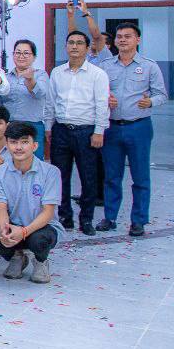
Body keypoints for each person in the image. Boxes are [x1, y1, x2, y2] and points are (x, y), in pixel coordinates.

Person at [98, 22, 167, 236]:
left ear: (138, 40)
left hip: (139, 127)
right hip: (112, 127)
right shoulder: (106, 66)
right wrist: (104, 100)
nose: (122, 40)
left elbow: (162, 94)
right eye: (119, 36)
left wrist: (151, 102)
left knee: (140, 175)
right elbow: (97, 93)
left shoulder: (149, 66)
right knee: (111, 176)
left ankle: (138, 220)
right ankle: (109, 217)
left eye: (128, 36)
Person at [48, 31, 109, 235]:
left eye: (79, 43)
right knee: (59, 177)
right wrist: (49, 127)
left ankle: (86, 219)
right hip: (61, 130)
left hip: (87, 132)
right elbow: (51, 102)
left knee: (88, 177)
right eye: (71, 42)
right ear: (66, 46)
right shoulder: (57, 72)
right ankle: (65, 216)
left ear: (87, 48)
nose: (75, 46)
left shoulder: (97, 74)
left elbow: (102, 104)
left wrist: (99, 131)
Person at [0, 121, 61, 283]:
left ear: (34, 146)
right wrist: (4, 230)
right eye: (13, 142)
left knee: (39, 240)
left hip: (41, 226)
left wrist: (24, 231)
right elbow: (1, 208)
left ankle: (41, 261)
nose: (19, 147)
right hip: (14, 223)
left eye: (24, 142)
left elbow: (48, 212)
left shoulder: (51, 172)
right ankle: (17, 257)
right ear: (7, 145)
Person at [2, 39, 51, 158]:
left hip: (32, 126)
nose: (21, 56)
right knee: (10, 161)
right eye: (18, 52)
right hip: (10, 126)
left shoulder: (40, 75)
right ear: (13, 55)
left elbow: (40, 94)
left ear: (34, 57)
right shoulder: (6, 77)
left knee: (34, 163)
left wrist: (30, 80)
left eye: (26, 53)